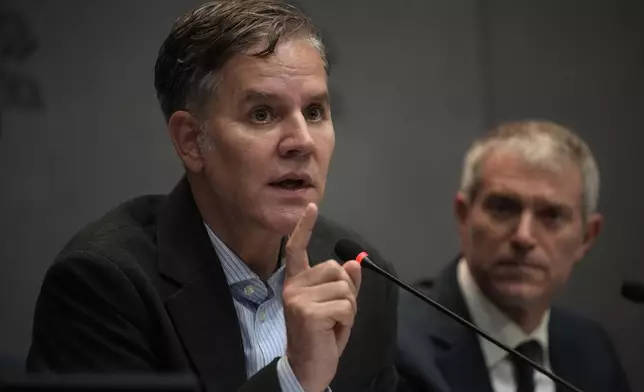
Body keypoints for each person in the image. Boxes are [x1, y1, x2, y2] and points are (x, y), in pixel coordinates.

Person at [26, 1, 399, 391]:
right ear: (191, 141)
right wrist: (295, 379)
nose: (302, 142)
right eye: (262, 114)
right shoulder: (105, 287)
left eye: (315, 111)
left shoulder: (361, 280)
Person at [395, 120, 631, 392]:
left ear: (587, 236)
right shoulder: (398, 343)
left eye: (551, 215)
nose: (524, 237)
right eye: (503, 208)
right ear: (464, 215)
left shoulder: (592, 351)